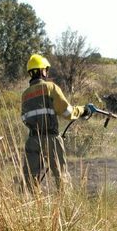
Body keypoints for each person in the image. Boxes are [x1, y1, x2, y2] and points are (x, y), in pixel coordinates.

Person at [21, 53, 96, 189]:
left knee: (30, 179)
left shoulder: (25, 94)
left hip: (32, 140)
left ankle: (29, 206)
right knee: (61, 177)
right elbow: (67, 112)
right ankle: (66, 207)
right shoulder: (50, 88)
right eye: (46, 70)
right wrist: (84, 110)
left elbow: (24, 118)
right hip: (51, 138)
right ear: (42, 71)